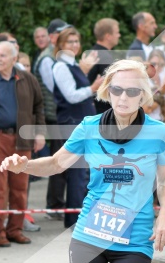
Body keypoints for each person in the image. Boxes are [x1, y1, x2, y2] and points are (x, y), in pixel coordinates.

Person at [0, 59, 165, 263]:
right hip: (90, 233)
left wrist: (164, 214)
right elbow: (55, 163)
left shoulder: (158, 132)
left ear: (142, 95)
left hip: (134, 238)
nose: (123, 97)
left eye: (132, 91)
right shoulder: (89, 127)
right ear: (107, 91)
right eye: (117, 89)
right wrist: (23, 165)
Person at [0, 41, 46, 247]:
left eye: (2, 56)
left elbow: (38, 106)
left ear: (14, 59)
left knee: (20, 188)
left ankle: (15, 230)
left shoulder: (27, 79)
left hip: (23, 139)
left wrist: (40, 133)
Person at [52, 26, 101, 228]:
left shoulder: (72, 65)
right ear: (61, 45)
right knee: (77, 173)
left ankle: (80, 217)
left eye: (76, 41)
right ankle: (73, 220)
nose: (74, 45)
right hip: (72, 123)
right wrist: (93, 88)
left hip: (81, 121)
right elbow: (71, 95)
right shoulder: (61, 67)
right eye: (69, 42)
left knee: (83, 173)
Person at [34, 19, 71, 220]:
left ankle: (56, 202)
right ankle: (54, 204)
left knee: (64, 159)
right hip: (55, 115)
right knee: (59, 160)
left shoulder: (57, 56)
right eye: (62, 33)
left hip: (59, 114)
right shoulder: (48, 59)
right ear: (52, 36)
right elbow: (55, 89)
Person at [88, 18, 120, 114]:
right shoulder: (104, 57)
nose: (119, 35)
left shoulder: (92, 52)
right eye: (117, 32)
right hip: (102, 111)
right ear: (108, 36)